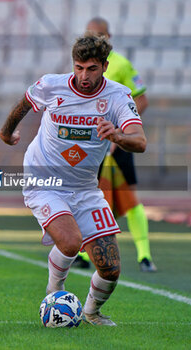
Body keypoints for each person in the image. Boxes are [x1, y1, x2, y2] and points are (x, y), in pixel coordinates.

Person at [0, 34, 147, 326]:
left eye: (91, 68)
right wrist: (7, 133)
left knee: (111, 268)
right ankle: (54, 292)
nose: (83, 76)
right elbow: (24, 103)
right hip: (44, 179)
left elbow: (140, 142)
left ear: (104, 66)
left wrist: (117, 134)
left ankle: (91, 312)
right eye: (79, 67)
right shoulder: (52, 85)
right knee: (70, 242)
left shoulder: (118, 96)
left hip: (84, 187)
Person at [74, 17, 157, 272]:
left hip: (116, 145)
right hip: (88, 145)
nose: (94, 38)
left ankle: (144, 255)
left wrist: (120, 132)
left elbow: (141, 100)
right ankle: (85, 255)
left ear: (108, 37)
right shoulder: (81, 67)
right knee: (86, 196)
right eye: (89, 33)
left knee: (129, 197)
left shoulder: (121, 64)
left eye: (98, 34)